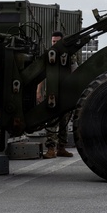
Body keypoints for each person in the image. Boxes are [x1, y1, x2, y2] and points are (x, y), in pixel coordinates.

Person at [42, 31, 76, 159]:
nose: (55, 44)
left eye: (57, 41)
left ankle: (61, 147)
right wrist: (38, 91)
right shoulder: (47, 55)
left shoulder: (70, 56)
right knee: (51, 121)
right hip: (51, 93)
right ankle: (51, 148)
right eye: (53, 41)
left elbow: (75, 72)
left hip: (65, 93)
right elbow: (42, 75)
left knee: (64, 121)